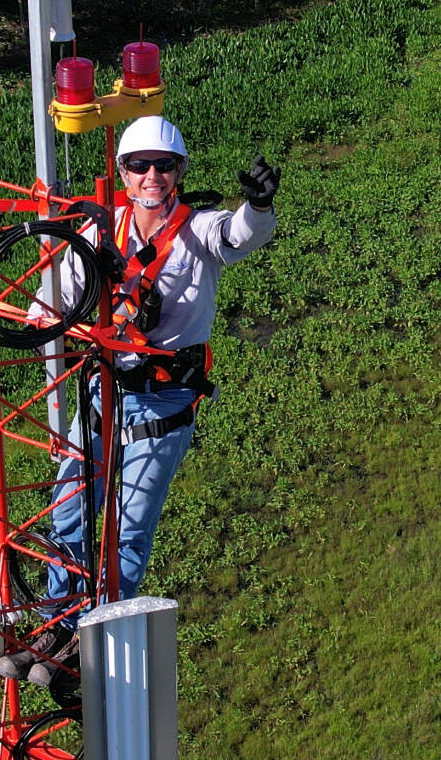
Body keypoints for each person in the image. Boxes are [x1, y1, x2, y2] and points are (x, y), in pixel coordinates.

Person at [26, 115, 277, 664]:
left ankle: (95, 645)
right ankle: (59, 622)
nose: (151, 176)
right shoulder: (98, 232)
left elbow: (238, 235)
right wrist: (33, 320)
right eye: (139, 166)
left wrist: (257, 207)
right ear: (123, 172)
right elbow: (61, 295)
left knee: (126, 536)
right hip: (101, 394)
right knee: (68, 514)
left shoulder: (198, 230)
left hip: (161, 406)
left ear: (179, 172)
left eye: (163, 166)